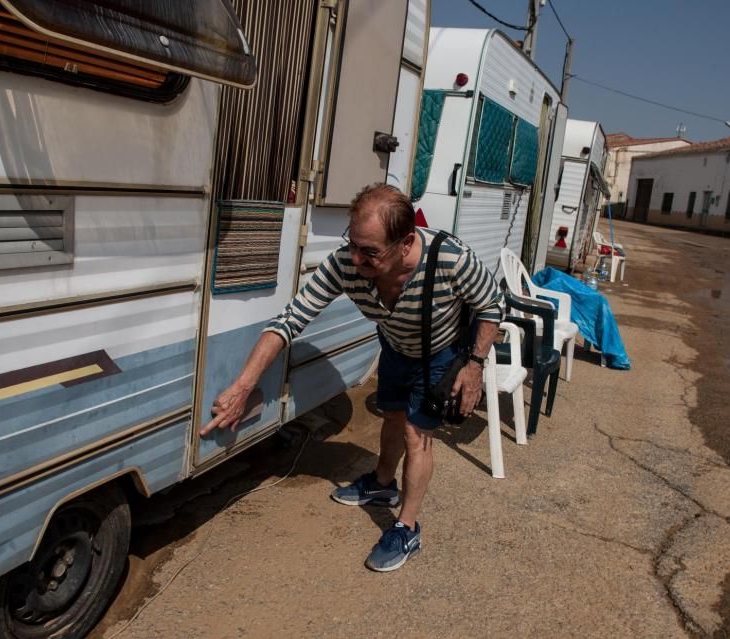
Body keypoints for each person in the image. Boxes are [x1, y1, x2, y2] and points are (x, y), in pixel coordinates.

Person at [199, 183, 503, 572]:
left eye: (370, 253)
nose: (355, 260)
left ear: (406, 242)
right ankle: (382, 482)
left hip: (439, 353)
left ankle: (407, 528)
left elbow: (493, 304)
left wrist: (474, 366)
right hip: (395, 344)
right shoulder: (348, 262)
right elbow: (291, 320)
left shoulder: (451, 259)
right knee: (391, 415)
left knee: (415, 432)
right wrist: (243, 386)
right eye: (353, 244)